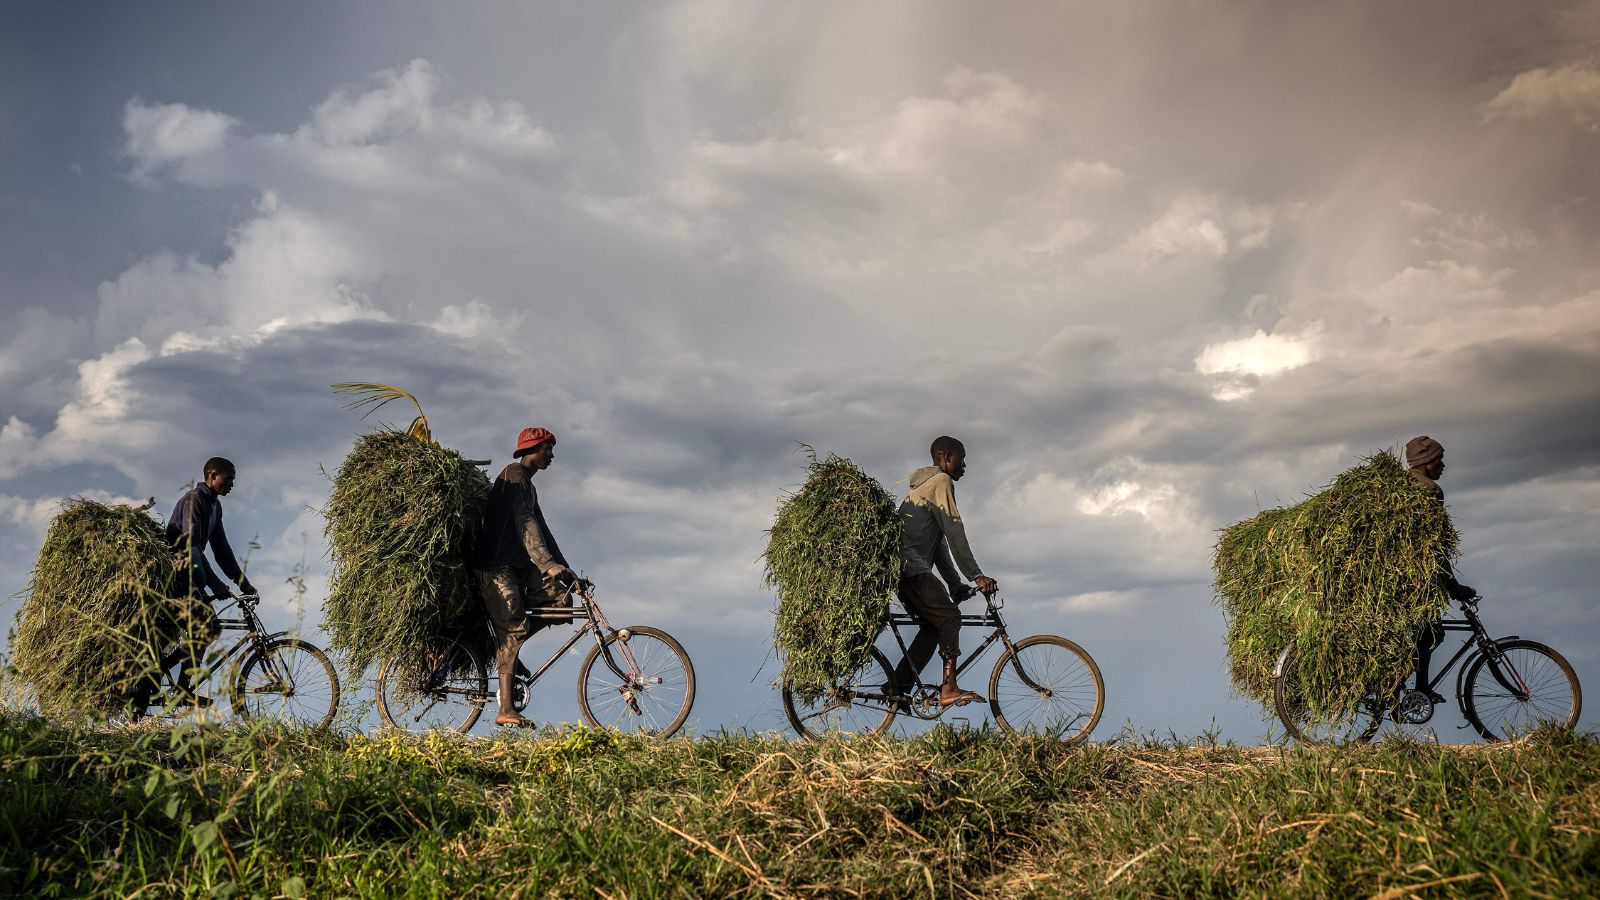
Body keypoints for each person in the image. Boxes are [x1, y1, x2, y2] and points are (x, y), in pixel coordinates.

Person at [470, 427, 585, 727]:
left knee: (561, 600)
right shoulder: (514, 477)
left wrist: (565, 570)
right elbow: (526, 523)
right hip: (495, 567)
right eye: (548, 449)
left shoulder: (527, 485)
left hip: (518, 566)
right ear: (532, 448)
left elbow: (542, 528)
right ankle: (505, 708)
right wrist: (547, 564)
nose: (552, 455)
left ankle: (510, 649)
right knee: (514, 628)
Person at [890, 435, 998, 706]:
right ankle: (949, 688)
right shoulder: (940, 482)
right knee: (950, 619)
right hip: (911, 567)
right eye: (961, 459)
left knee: (933, 626)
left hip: (905, 569)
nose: (964, 465)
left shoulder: (923, 487)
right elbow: (954, 531)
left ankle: (897, 686)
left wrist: (954, 584)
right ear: (946, 456)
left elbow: (938, 547)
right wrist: (975, 574)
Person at [164, 457, 254, 704]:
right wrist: (214, 584)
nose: (232, 485)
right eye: (229, 479)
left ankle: (169, 676)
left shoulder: (214, 506)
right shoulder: (195, 500)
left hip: (192, 577)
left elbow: (221, 549)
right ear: (212, 476)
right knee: (205, 626)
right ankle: (176, 684)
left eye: (233, 480)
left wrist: (241, 581)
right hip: (178, 577)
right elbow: (190, 547)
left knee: (210, 628)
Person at [1406, 435, 1474, 704]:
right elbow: (1433, 548)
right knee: (1431, 633)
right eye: (1439, 459)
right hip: (1414, 583)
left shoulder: (1398, 485)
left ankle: (1416, 688)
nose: (1443, 465)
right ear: (1426, 461)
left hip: (1397, 581)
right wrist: (1453, 587)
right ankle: (1413, 690)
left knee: (1428, 633)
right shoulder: (1429, 491)